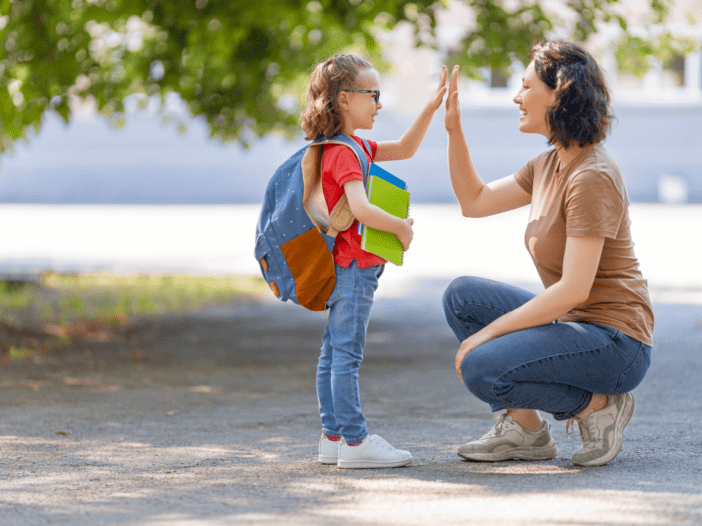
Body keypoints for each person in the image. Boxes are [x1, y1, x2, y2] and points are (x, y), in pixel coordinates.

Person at [442, 40, 654, 467]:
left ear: (559, 92)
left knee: (482, 366)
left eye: (525, 86)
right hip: (578, 325)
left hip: (616, 342)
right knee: (463, 296)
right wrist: (454, 130)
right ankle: (526, 431)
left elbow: (573, 289)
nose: (516, 96)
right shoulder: (549, 164)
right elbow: (475, 201)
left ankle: (598, 406)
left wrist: (487, 335)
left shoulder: (592, 175)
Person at [302, 53, 447, 468]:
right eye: (373, 95)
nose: (379, 104)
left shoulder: (349, 146)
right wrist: (400, 227)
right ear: (345, 99)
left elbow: (404, 148)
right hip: (353, 269)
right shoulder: (345, 153)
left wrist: (431, 106)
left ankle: (333, 437)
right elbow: (361, 208)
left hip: (342, 268)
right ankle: (355, 441)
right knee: (346, 355)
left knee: (332, 353)